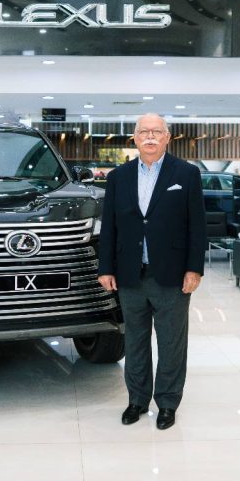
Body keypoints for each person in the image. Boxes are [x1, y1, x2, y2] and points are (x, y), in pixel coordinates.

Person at [97, 113, 207, 430]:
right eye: (144, 131)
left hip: (172, 275)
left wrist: (194, 269)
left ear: (167, 137)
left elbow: (197, 226)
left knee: (172, 343)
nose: (150, 136)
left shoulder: (186, 174)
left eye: (156, 131)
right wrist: (106, 267)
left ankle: (168, 403)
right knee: (135, 342)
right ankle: (137, 400)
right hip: (130, 274)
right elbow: (110, 227)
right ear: (134, 137)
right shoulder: (118, 177)